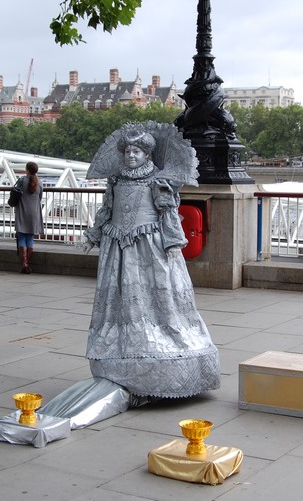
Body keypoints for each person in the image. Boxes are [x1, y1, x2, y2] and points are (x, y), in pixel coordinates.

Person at [81, 122, 220, 399]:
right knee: (122, 306)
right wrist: (93, 235)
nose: (131, 155)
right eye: (127, 151)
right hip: (119, 248)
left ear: (147, 154)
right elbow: (107, 210)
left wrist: (172, 242)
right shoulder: (116, 180)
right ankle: (122, 358)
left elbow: (168, 213)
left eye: (137, 151)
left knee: (157, 303)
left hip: (150, 249)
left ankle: (164, 360)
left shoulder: (158, 181)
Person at [14, 161, 45, 273]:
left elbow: (15, 194)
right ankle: (27, 264)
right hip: (34, 213)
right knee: (30, 238)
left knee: (22, 237)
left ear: (27, 170)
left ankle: (24, 264)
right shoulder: (40, 183)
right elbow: (40, 198)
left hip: (22, 211)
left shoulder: (22, 181)